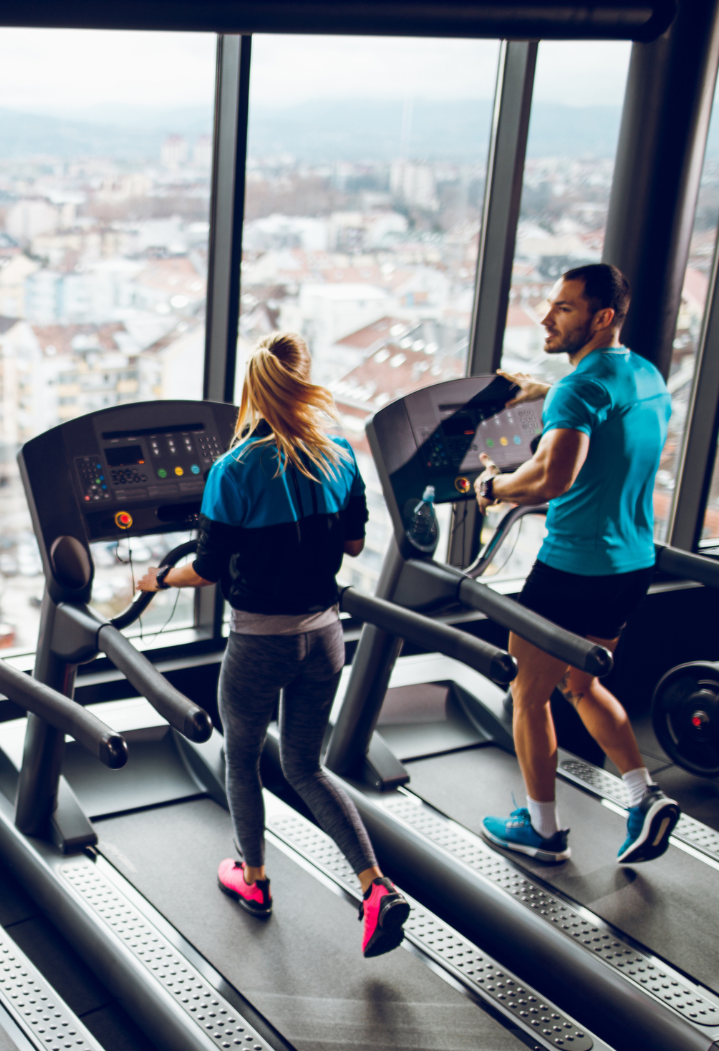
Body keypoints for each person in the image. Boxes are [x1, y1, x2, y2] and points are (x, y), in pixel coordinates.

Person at [135, 332, 409, 958]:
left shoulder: (232, 469)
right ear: (302, 381)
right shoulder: (340, 453)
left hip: (261, 644)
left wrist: (158, 579)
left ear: (252, 388)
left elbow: (205, 569)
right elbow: (354, 546)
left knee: (242, 758)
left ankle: (253, 879)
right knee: (307, 767)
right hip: (327, 635)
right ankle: (375, 887)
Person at [473, 263, 682, 865]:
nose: (547, 317)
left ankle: (540, 830)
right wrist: (544, 399)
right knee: (581, 682)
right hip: (631, 561)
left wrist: (496, 487)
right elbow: (609, 431)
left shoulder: (579, 390)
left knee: (528, 695)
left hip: (574, 567)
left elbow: (552, 477)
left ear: (603, 317)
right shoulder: (643, 374)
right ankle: (644, 796)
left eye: (564, 308)